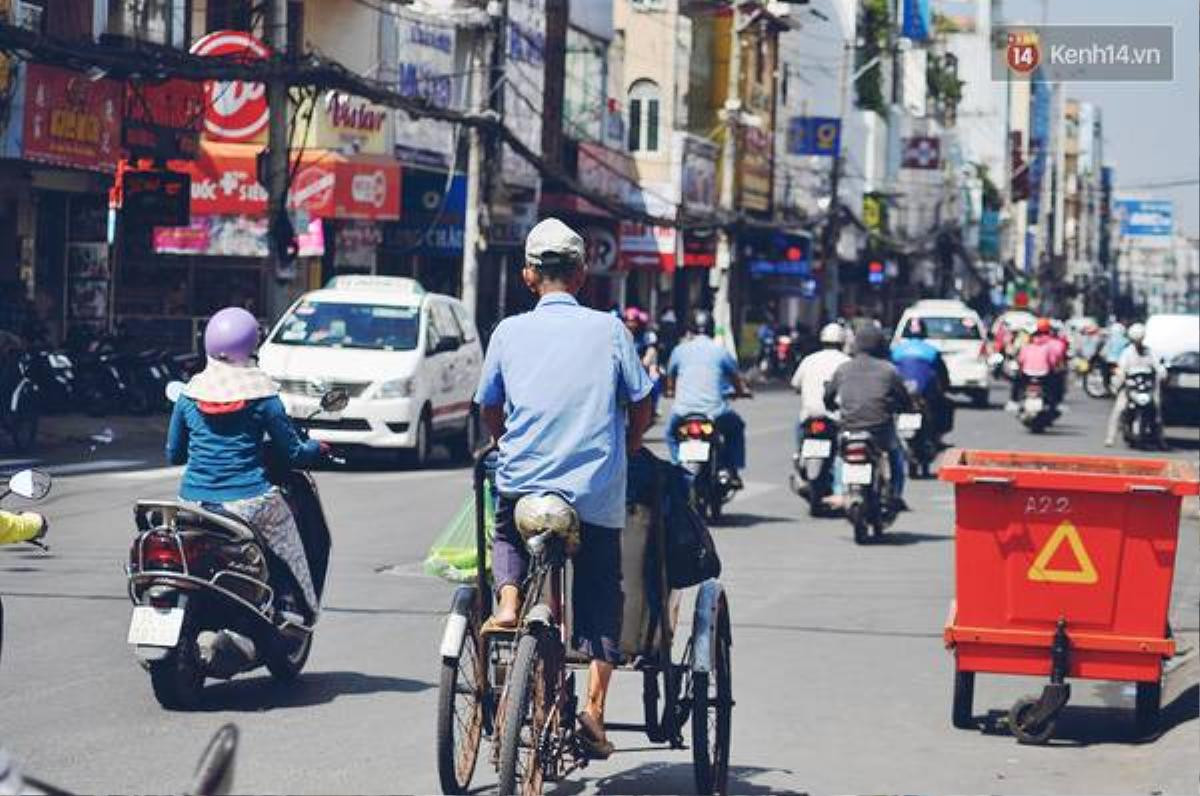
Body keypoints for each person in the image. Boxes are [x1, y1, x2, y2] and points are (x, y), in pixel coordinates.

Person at [474, 218, 653, 760]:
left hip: (523, 484)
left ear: (529, 275)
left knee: (506, 530)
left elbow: (489, 407)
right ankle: (594, 711)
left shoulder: (507, 331)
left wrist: (508, 444)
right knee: (601, 590)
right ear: (581, 274)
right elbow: (641, 403)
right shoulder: (611, 329)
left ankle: (508, 601)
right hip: (593, 492)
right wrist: (631, 443)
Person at [166, 306, 325, 626]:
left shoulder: (189, 393)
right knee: (288, 538)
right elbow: (293, 453)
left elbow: (174, 455)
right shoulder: (264, 395)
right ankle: (293, 603)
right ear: (253, 345)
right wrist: (316, 448)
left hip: (192, 504)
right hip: (248, 503)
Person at [824, 324, 914, 509]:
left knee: (840, 456)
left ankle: (839, 491)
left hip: (849, 427)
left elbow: (828, 396)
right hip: (880, 429)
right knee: (896, 454)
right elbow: (904, 398)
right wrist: (905, 408)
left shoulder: (844, 368)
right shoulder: (889, 370)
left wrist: (833, 407)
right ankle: (896, 493)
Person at [666, 309, 752, 488]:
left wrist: (671, 392)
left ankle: (676, 467)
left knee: (670, 434)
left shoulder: (679, 350)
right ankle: (732, 469)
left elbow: (670, 379)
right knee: (736, 428)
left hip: (682, 412)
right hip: (715, 412)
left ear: (690, 329)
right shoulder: (720, 351)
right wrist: (740, 392)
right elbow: (736, 379)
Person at [1104, 322, 1167, 449]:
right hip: (1130, 387)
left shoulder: (1149, 352)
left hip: (1147, 387)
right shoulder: (1127, 353)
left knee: (1157, 409)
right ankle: (1110, 437)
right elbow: (1121, 369)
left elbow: (1158, 367)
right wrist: (1117, 382)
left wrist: (1162, 373)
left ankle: (1160, 439)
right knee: (1119, 409)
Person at [890, 318, 953, 442]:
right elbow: (943, 374)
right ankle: (937, 436)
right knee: (945, 405)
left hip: (902, 394)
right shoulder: (932, 351)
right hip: (924, 394)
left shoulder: (896, 351)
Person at [791, 322, 850, 444]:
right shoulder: (847, 362)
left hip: (809, 416)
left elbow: (795, 384)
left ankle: (799, 454)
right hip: (835, 418)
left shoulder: (809, 360)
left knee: (799, 427)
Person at [624, 307, 662, 416]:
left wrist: (646, 362)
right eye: (628, 321)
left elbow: (651, 350)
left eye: (633, 322)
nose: (630, 324)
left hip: (642, 369)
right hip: (625, 369)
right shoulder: (620, 334)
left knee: (654, 381)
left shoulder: (645, 336)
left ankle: (653, 407)